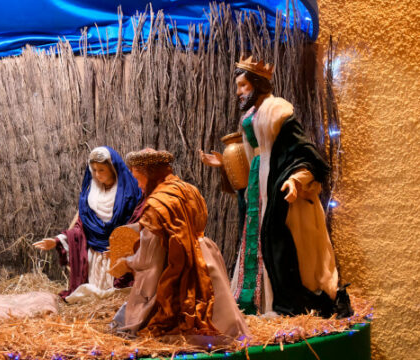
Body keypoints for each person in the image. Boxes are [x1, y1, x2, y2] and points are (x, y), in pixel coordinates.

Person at [200, 56, 350, 317]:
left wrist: (296, 180)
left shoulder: (278, 110)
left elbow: (303, 152)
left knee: (278, 238)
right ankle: (255, 300)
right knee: (255, 236)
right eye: (238, 86)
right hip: (260, 179)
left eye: (243, 86)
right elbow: (253, 154)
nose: (239, 92)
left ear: (258, 84)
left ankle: (281, 301)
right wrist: (225, 164)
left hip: (278, 180)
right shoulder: (252, 114)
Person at [110, 148, 248, 342]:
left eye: (139, 178)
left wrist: (127, 262)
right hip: (206, 259)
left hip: (180, 266)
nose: (139, 186)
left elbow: (150, 259)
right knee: (223, 318)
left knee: (139, 317)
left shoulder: (157, 204)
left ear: (150, 174)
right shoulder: (188, 189)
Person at [33, 147, 142, 301]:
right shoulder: (91, 195)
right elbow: (80, 228)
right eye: (94, 170)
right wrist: (58, 240)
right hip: (96, 258)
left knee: (120, 296)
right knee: (94, 297)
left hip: (120, 258)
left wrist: (121, 245)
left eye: (102, 169)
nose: (97, 174)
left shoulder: (130, 193)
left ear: (113, 168)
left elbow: (138, 224)